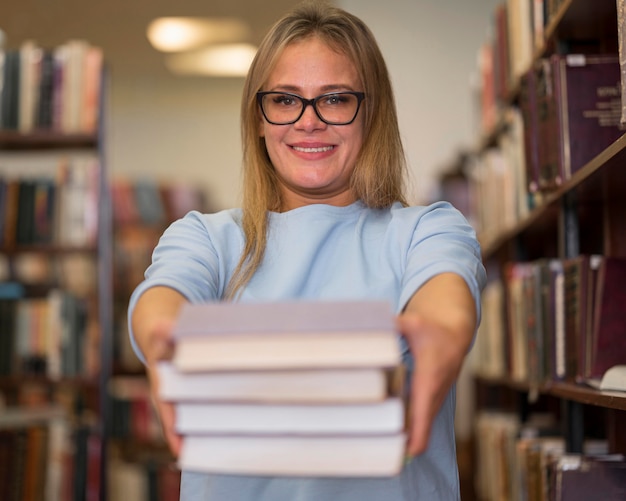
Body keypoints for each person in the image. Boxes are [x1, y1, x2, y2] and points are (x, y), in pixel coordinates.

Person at [128, 1, 487, 499]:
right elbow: (164, 294)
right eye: (285, 99)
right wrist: (160, 336)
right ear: (258, 116)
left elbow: (446, 301)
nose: (308, 121)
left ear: (372, 113)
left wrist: (445, 333)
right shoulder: (206, 237)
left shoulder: (427, 229)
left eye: (335, 99)